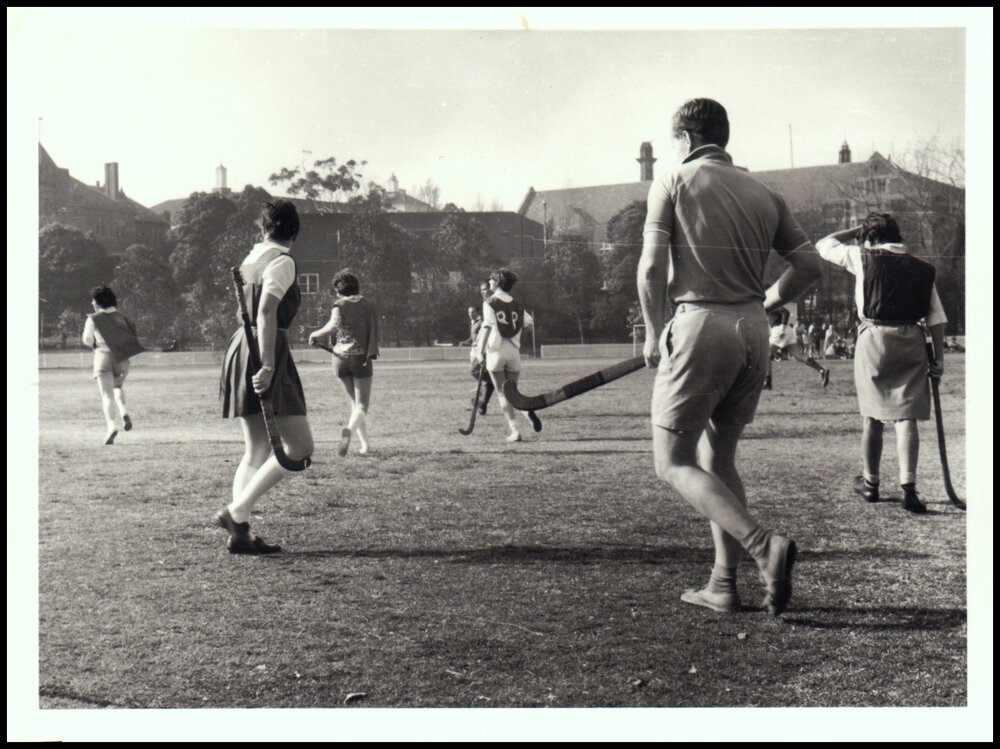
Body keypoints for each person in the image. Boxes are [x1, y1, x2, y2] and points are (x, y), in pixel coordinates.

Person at [637, 98, 822, 616]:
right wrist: (765, 302)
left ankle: (764, 547)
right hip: (754, 332)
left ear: (686, 138)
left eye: (674, 140)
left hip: (700, 325)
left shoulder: (673, 180)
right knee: (718, 459)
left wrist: (654, 334)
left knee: (671, 461)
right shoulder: (765, 191)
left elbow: (651, 270)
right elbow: (809, 266)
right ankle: (723, 584)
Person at [816, 213, 947, 514]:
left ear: (870, 238)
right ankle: (909, 488)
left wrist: (856, 232)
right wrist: (938, 358)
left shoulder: (860, 256)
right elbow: (936, 317)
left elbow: (824, 245)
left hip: (874, 338)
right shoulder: (922, 268)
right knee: (906, 416)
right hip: (912, 338)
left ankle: (871, 483)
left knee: (872, 416)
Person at [217, 200, 314, 554]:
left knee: (256, 448)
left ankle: (240, 535)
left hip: (241, 346)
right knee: (300, 449)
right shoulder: (282, 261)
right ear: (294, 230)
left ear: (263, 228)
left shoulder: (250, 260)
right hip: (264, 348)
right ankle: (236, 512)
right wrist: (269, 364)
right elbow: (267, 310)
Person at [308, 270, 379, 456]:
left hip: (339, 359)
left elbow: (332, 327)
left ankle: (365, 446)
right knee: (362, 405)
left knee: (354, 403)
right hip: (360, 359)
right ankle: (349, 430)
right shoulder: (367, 305)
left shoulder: (338, 305)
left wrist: (314, 335)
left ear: (338, 290)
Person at [474, 268, 534, 442]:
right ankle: (526, 411)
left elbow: (486, 328)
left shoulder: (489, 301)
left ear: (497, 282)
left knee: (502, 393)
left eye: (492, 280)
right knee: (513, 392)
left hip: (496, 352)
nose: (490, 282)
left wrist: (479, 352)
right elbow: (529, 324)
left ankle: (515, 430)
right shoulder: (517, 303)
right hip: (514, 353)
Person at [81, 285, 144, 445]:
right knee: (117, 388)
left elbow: (87, 340)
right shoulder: (123, 317)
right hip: (122, 358)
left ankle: (111, 427)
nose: (92, 302)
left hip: (102, 356)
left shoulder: (94, 318)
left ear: (98, 301)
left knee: (106, 395)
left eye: (94, 300)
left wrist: (96, 341)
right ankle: (123, 412)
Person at [764, 306, 830, 389]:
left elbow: (786, 311)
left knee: (766, 356)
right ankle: (821, 370)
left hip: (779, 330)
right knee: (799, 357)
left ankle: (768, 383)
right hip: (787, 331)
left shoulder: (769, 302)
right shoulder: (762, 304)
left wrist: (782, 327)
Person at [462, 301, 495, 415]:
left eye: (472, 312)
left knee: (477, 373)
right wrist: (466, 342)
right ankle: (481, 403)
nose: (470, 314)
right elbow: (474, 337)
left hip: (481, 350)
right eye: (469, 312)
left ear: (477, 312)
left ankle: (481, 400)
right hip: (474, 350)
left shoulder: (481, 322)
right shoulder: (473, 322)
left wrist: (480, 346)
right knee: (480, 376)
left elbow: (484, 335)